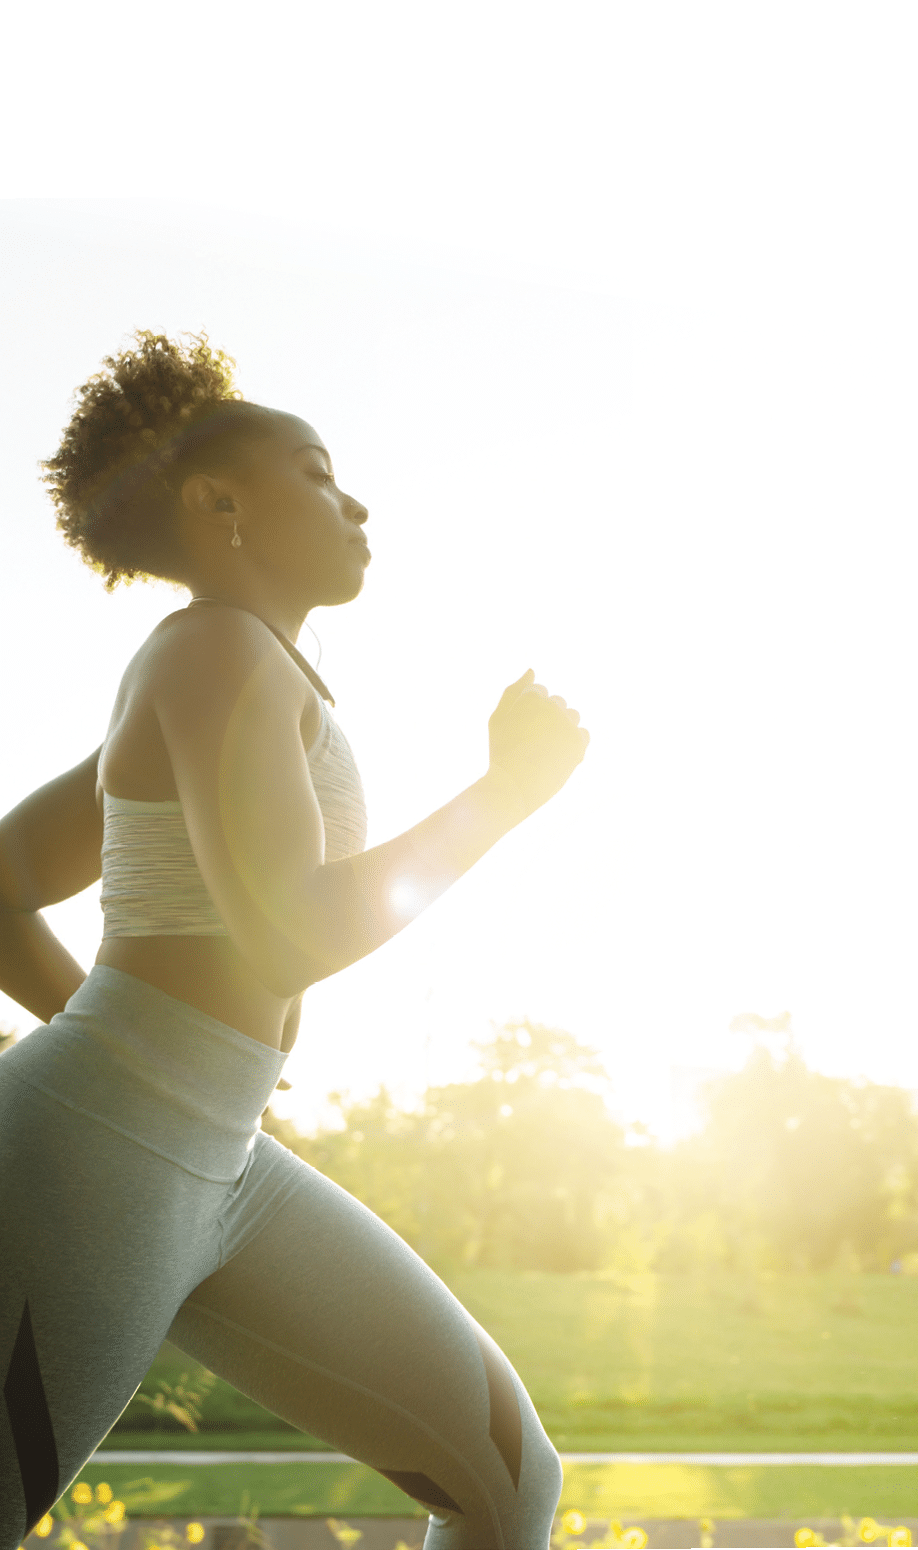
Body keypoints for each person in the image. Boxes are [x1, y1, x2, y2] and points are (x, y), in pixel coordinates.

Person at [0, 332, 588, 1550]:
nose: (356, 497)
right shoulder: (211, 647)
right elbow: (285, 935)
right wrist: (507, 792)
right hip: (101, 1149)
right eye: (319, 472)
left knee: (507, 1478)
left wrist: (147, 1061)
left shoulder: (237, 665)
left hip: (220, 1150)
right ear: (221, 505)